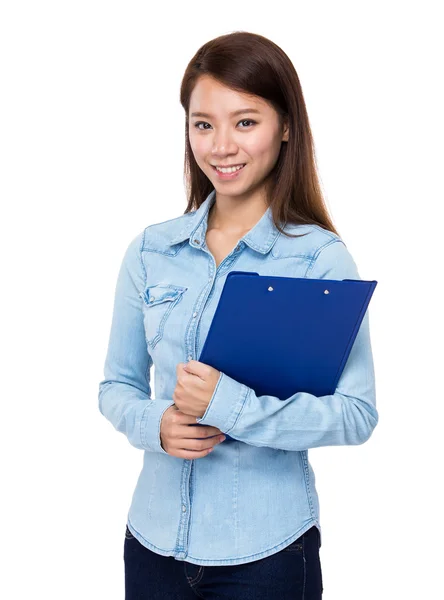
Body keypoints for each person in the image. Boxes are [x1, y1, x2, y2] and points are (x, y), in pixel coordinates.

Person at [98, 30, 379, 600]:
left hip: (267, 556)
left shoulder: (320, 260)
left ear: (286, 127)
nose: (221, 146)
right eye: (203, 124)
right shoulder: (151, 251)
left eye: (245, 122)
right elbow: (115, 386)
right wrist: (155, 424)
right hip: (151, 549)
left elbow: (355, 414)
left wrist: (230, 407)